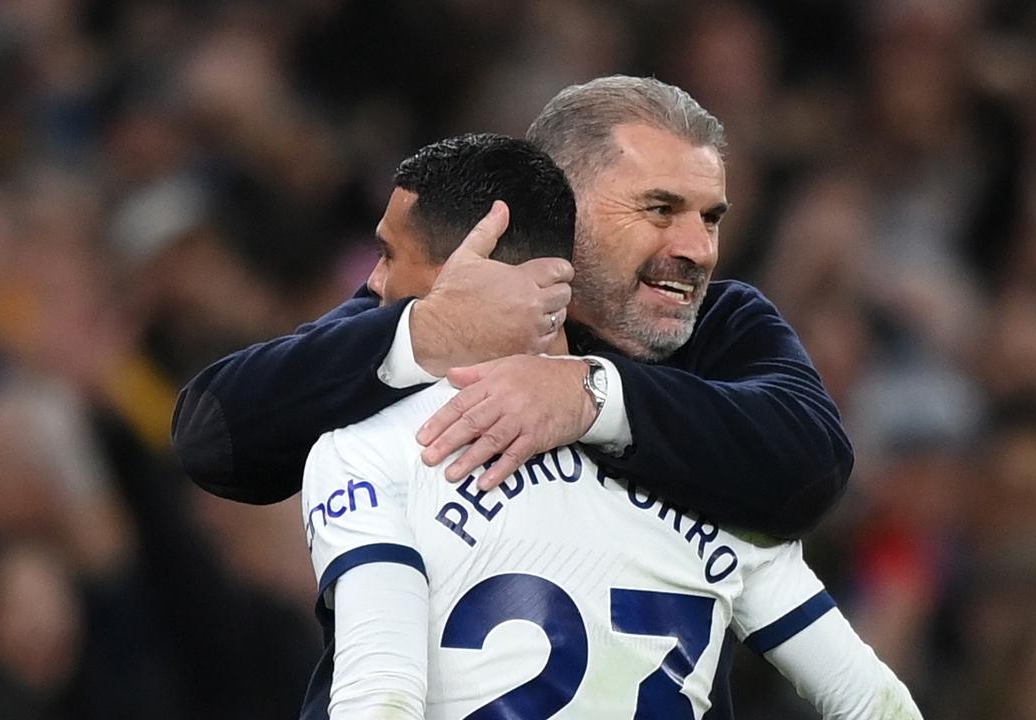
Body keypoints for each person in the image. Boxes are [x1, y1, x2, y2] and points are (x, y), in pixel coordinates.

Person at [302, 131, 920, 720]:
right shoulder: (711, 478)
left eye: (387, 255)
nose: (373, 282)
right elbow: (875, 703)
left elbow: (379, 697)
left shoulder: (370, 451)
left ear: (474, 268)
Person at [172, 75, 852, 539]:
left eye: (711, 217)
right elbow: (214, 439)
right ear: (561, 204)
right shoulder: (434, 300)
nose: (698, 248)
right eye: (660, 209)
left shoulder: (724, 325)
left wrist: (589, 397)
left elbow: (812, 466)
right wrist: (429, 336)